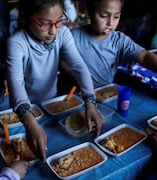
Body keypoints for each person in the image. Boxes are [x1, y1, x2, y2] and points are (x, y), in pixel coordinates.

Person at [6, 0, 103, 161]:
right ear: (25, 17)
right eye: (45, 24)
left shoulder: (63, 33)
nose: (53, 30)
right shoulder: (17, 43)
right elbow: (16, 82)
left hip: (51, 102)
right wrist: (29, 121)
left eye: (59, 21)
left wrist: (90, 101)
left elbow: (78, 65)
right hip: (24, 110)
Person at [62, 0, 157, 105]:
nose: (110, 22)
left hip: (106, 96)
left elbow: (144, 56)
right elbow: (60, 61)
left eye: (116, 16)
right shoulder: (71, 37)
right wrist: (79, 78)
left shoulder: (118, 40)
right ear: (90, 12)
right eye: (104, 16)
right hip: (77, 97)